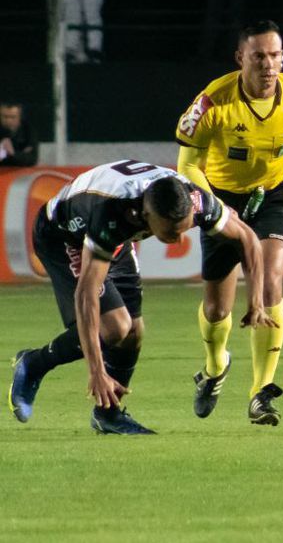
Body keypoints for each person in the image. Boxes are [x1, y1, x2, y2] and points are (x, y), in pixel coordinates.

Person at [7, 160, 265, 435]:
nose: (178, 240)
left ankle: (108, 415)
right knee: (115, 327)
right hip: (63, 236)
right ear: (146, 214)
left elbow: (247, 238)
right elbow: (86, 295)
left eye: (184, 229)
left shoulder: (196, 200)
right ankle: (33, 364)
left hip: (113, 242)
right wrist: (96, 372)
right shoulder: (112, 212)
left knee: (134, 332)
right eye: (169, 232)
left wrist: (256, 301)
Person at [176, 19, 283, 426]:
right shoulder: (213, 103)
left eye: (275, 56)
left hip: (273, 195)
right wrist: (217, 208)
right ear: (241, 58)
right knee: (217, 310)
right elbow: (186, 165)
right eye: (259, 57)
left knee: (269, 282)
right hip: (221, 199)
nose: (269, 65)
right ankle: (215, 367)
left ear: (282, 57)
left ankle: (260, 393)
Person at [0, 102, 38, 167]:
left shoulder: (28, 131)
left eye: (12, 117)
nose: (9, 121)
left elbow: (32, 159)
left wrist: (13, 154)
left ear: (19, 117)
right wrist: (2, 152)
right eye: (5, 117)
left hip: (20, 172)